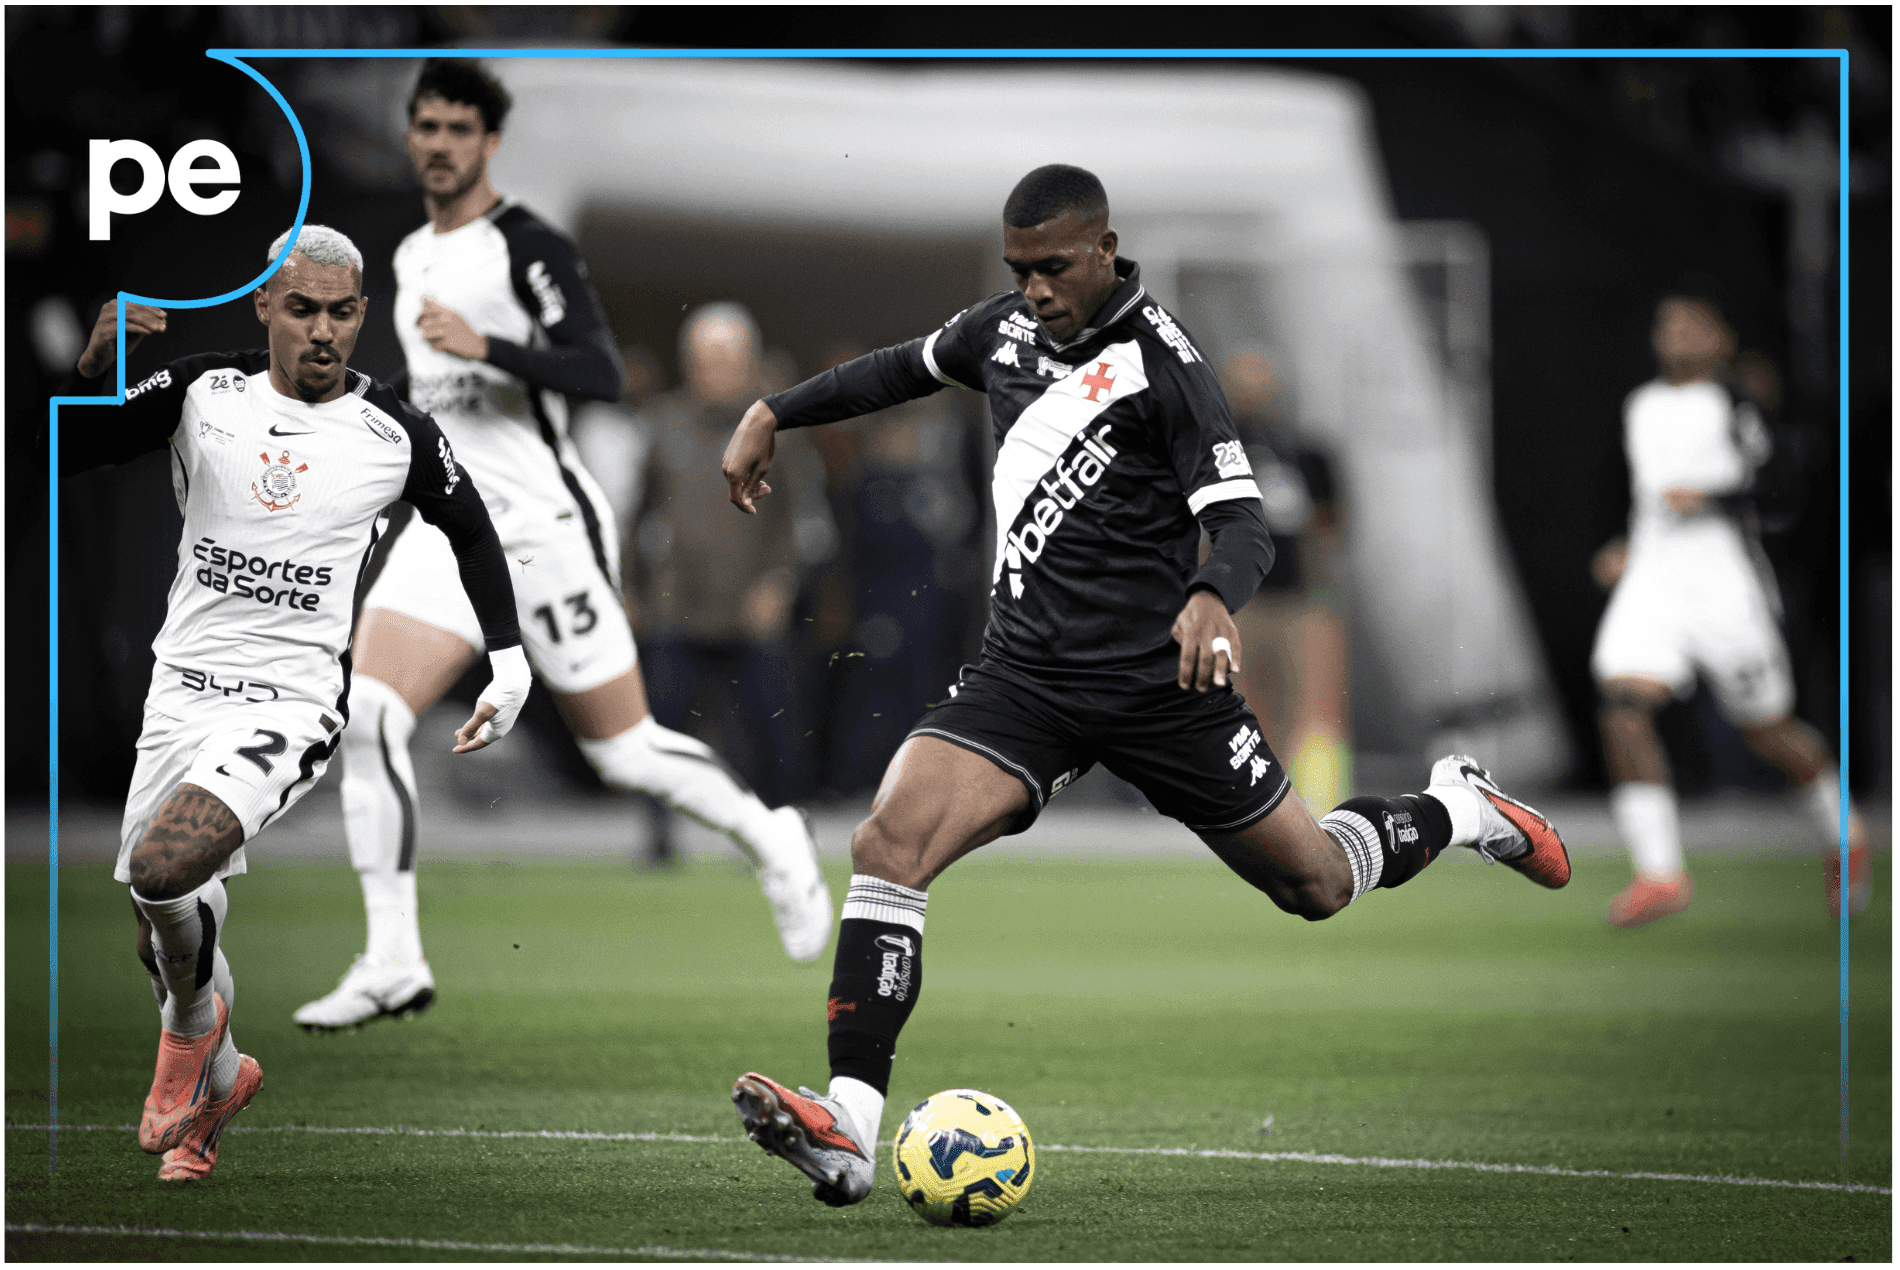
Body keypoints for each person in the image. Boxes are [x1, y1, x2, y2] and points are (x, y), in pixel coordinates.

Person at [717, 164, 1571, 1207]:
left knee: (1314, 883)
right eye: (1018, 269)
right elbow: (897, 369)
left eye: (1053, 268)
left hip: (1161, 688)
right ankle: (849, 1126)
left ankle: (1459, 806)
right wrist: (774, 408)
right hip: (1024, 678)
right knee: (888, 844)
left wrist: (1212, 596)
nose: (1034, 288)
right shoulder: (1002, 333)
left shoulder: (1164, 365)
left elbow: (1245, 521)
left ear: (1106, 247)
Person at [293, 61, 832, 1031]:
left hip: (542, 525)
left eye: (460, 127)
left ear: (489, 143)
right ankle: (390, 955)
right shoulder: (412, 253)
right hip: (453, 521)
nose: (439, 143)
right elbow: (443, 406)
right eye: (426, 126)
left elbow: (593, 368)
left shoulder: (529, 246)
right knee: (369, 710)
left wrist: (487, 346)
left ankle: (769, 835)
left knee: (623, 750)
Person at [62, 225, 531, 1182]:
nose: (324, 331)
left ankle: (193, 1046)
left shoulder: (391, 431)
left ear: (362, 315)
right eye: (304, 308)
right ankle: (219, 1087)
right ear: (264, 306)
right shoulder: (202, 391)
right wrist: (95, 372)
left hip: (293, 698)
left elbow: (473, 531)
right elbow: (59, 453)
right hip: (180, 692)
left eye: (343, 312)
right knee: (165, 930)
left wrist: (510, 663)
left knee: (164, 870)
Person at [1589, 295, 1869, 927]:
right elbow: (1638, 496)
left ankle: (1844, 832)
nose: (1676, 335)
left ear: (1720, 337)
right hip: (1656, 583)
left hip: (1723, 587)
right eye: (1667, 324)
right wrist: (1624, 546)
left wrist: (1712, 499)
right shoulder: (1641, 405)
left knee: (1766, 730)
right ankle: (1660, 873)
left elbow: (1783, 494)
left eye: (1692, 324)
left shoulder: (1739, 403)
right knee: (1621, 702)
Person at [628, 304, 821, 806]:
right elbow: (637, 515)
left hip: (749, 603)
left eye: (723, 358)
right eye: (701, 359)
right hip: (678, 603)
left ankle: (781, 827)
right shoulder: (663, 425)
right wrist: (630, 587)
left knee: (771, 731)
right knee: (662, 730)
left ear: (748, 361)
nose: (710, 370)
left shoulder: (777, 430)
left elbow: (798, 522)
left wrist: (779, 582)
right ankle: (658, 840)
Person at [1219, 348, 1352, 810]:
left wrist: (1321, 590)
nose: (1254, 393)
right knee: (1245, 709)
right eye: (1243, 382)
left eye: (1261, 381)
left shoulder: (1305, 452)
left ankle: (1321, 810)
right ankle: (1256, 805)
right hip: (1239, 605)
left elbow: (1331, 526)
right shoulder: (1214, 452)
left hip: (1300, 601)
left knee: (1316, 708)